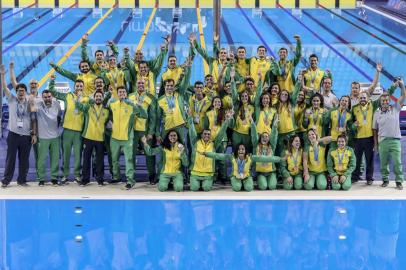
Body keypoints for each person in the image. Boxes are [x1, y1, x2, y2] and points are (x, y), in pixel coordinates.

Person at [351, 81, 397, 184]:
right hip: (358, 138)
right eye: (361, 98)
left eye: (364, 98)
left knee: (369, 159)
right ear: (358, 99)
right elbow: (350, 123)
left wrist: (393, 87)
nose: (363, 99)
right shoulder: (354, 109)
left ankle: (369, 178)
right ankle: (355, 176)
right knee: (357, 159)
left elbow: (385, 96)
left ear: (367, 98)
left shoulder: (373, 105)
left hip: (369, 138)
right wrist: (354, 126)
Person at [1, 65, 36, 188]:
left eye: (22, 91)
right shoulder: (12, 99)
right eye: (19, 91)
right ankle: (6, 180)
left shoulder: (29, 102)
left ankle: (22, 180)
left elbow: (33, 119)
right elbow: (5, 86)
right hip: (13, 135)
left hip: (26, 136)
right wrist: (2, 75)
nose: (20, 92)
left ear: (25, 92)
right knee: (10, 159)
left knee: (24, 160)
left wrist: (33, 134)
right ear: (16, 92)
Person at [49, 75, 88, 184]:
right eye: (77, 86)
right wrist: (52, 81)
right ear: (74, 86)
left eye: (81, 86)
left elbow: (86, 111)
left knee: (78, 155)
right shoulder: (68, 96)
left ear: (83, 87)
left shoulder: (86, 98)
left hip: (79, 132)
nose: (79, 87)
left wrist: (80, 99)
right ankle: (65, 175)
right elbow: (53, 92)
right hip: (67, 130)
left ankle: (77, 175)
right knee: (65, 154)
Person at [108, 86, 147, 189]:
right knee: (114, 160)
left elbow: (144, 115)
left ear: (126, 93)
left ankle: (130, 181)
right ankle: (116, 177)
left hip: (127, 138)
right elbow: (107, 114)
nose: (121, 93)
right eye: (119, 92)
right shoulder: (112, 104)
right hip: (114, 137)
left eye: (123, 92)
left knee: (129, 160)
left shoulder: (131, 105)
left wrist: (139, 106)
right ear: (117, 93)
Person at [204, 143, 283, 192]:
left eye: (243, 149)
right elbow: (218, 156)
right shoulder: (232, 157)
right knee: (237, 188)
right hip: (236, 176)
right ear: (236, 151)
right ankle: (238, 184)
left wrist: (280, 159)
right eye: (239, 149)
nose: (241, 151)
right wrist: (206, 154)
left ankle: (245, 184)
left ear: (245, 151)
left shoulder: (250, 157)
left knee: (249, 188)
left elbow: (265, 158)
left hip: (246, 176)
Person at [373, 79, 405, 190]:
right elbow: (375, 130)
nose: (385, 102)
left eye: (387, 100)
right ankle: (385, 180)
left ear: (389, 100)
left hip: (395, 141)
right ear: (380, 102)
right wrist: (376, 145)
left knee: (397, 162)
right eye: (383, 101)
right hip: (383, 141)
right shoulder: (376, 113)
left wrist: (402, 86)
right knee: (383, 163)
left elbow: (403, 96)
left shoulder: (395, 108)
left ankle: (399, 181)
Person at [188, 111, 231, 191]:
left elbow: (221, 134)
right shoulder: (195, 143)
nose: (206, 135)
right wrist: (190, 117)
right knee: (194, 188)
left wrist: (226, 121)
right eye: (205, 134)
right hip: (195, 173)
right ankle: (196, 182)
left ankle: (207, 182)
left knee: (206, 188)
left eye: (208, 134)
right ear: (201, 135)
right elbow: (191, 130)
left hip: (208, 174)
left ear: (210, 135)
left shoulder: (214, 144)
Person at [75, 90, 110, 186]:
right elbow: (79, 107)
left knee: (100, 160)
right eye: (97, 96)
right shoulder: (88, 107)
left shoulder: (107, 110)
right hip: (88, 137)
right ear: (94, 98)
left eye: (100, 96)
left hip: (100, 139)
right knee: (86, 159)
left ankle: (100, 179)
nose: (98, 97)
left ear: (102, 98)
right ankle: (85, 179)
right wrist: (78, 99)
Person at [128, 80, 158, 184]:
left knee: (148, 154)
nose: (140, 85)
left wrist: (150, 132)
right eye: (138, 83)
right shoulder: (130, 96)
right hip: (132, 132)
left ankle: (152, 176)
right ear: (136, 85)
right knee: (130, 155)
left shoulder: (150, 98)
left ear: (145, 85)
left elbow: (153, 117)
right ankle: (130, 178)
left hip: (144, 132)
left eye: (142, 83)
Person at [32, 89, 62, 186]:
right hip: (43, 137)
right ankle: (41, 179)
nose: (47, 98)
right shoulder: (38, 104)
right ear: (42, 97)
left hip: (55, 137)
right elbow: (32, 109)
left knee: (55, 158)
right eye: (45, 97)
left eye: (49, 96)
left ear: (52, 96)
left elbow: (59, 117)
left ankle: (54, 178)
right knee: (41, 159)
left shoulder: (57, 104)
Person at [251, 117, 282, 190]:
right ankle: (260, 180)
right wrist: (252, 123)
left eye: (267, 136)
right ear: (260, 138)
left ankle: (272, 178)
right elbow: (254, 135)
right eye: (263, 136)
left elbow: (274, 136)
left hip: (271, 172)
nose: (265, 138)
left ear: (269, 138)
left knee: (272, 187)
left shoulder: (272, 146)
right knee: (263, 187)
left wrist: (274, 126)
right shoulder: (256, 145)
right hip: (260, 172)